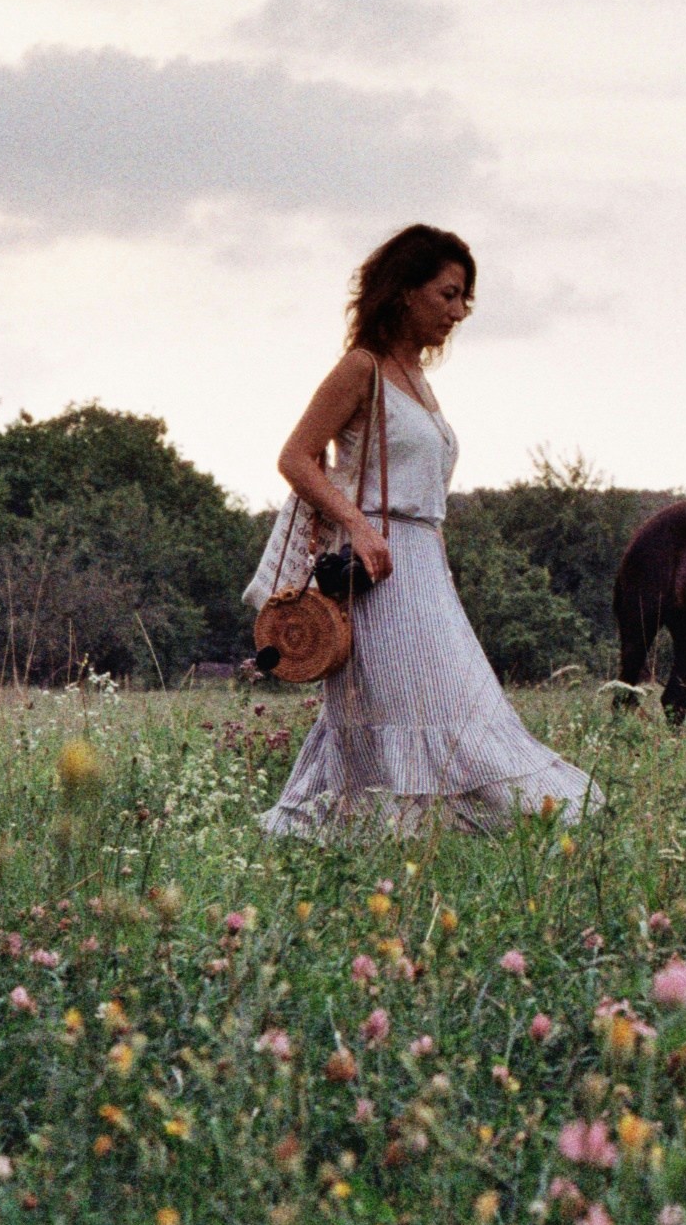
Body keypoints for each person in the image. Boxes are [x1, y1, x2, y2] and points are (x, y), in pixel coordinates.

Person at [252, 224, 596, 837]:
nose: (459, 312)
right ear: (404, 291)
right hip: (376, 566)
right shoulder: (362, 368)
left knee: (455, 700)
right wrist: (357, 526)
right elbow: (296, 457)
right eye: (448, 294)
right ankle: (368, 832)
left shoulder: (420, 384)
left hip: (422, 566)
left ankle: (435, 829)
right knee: (393, 708)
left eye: (466, 298)